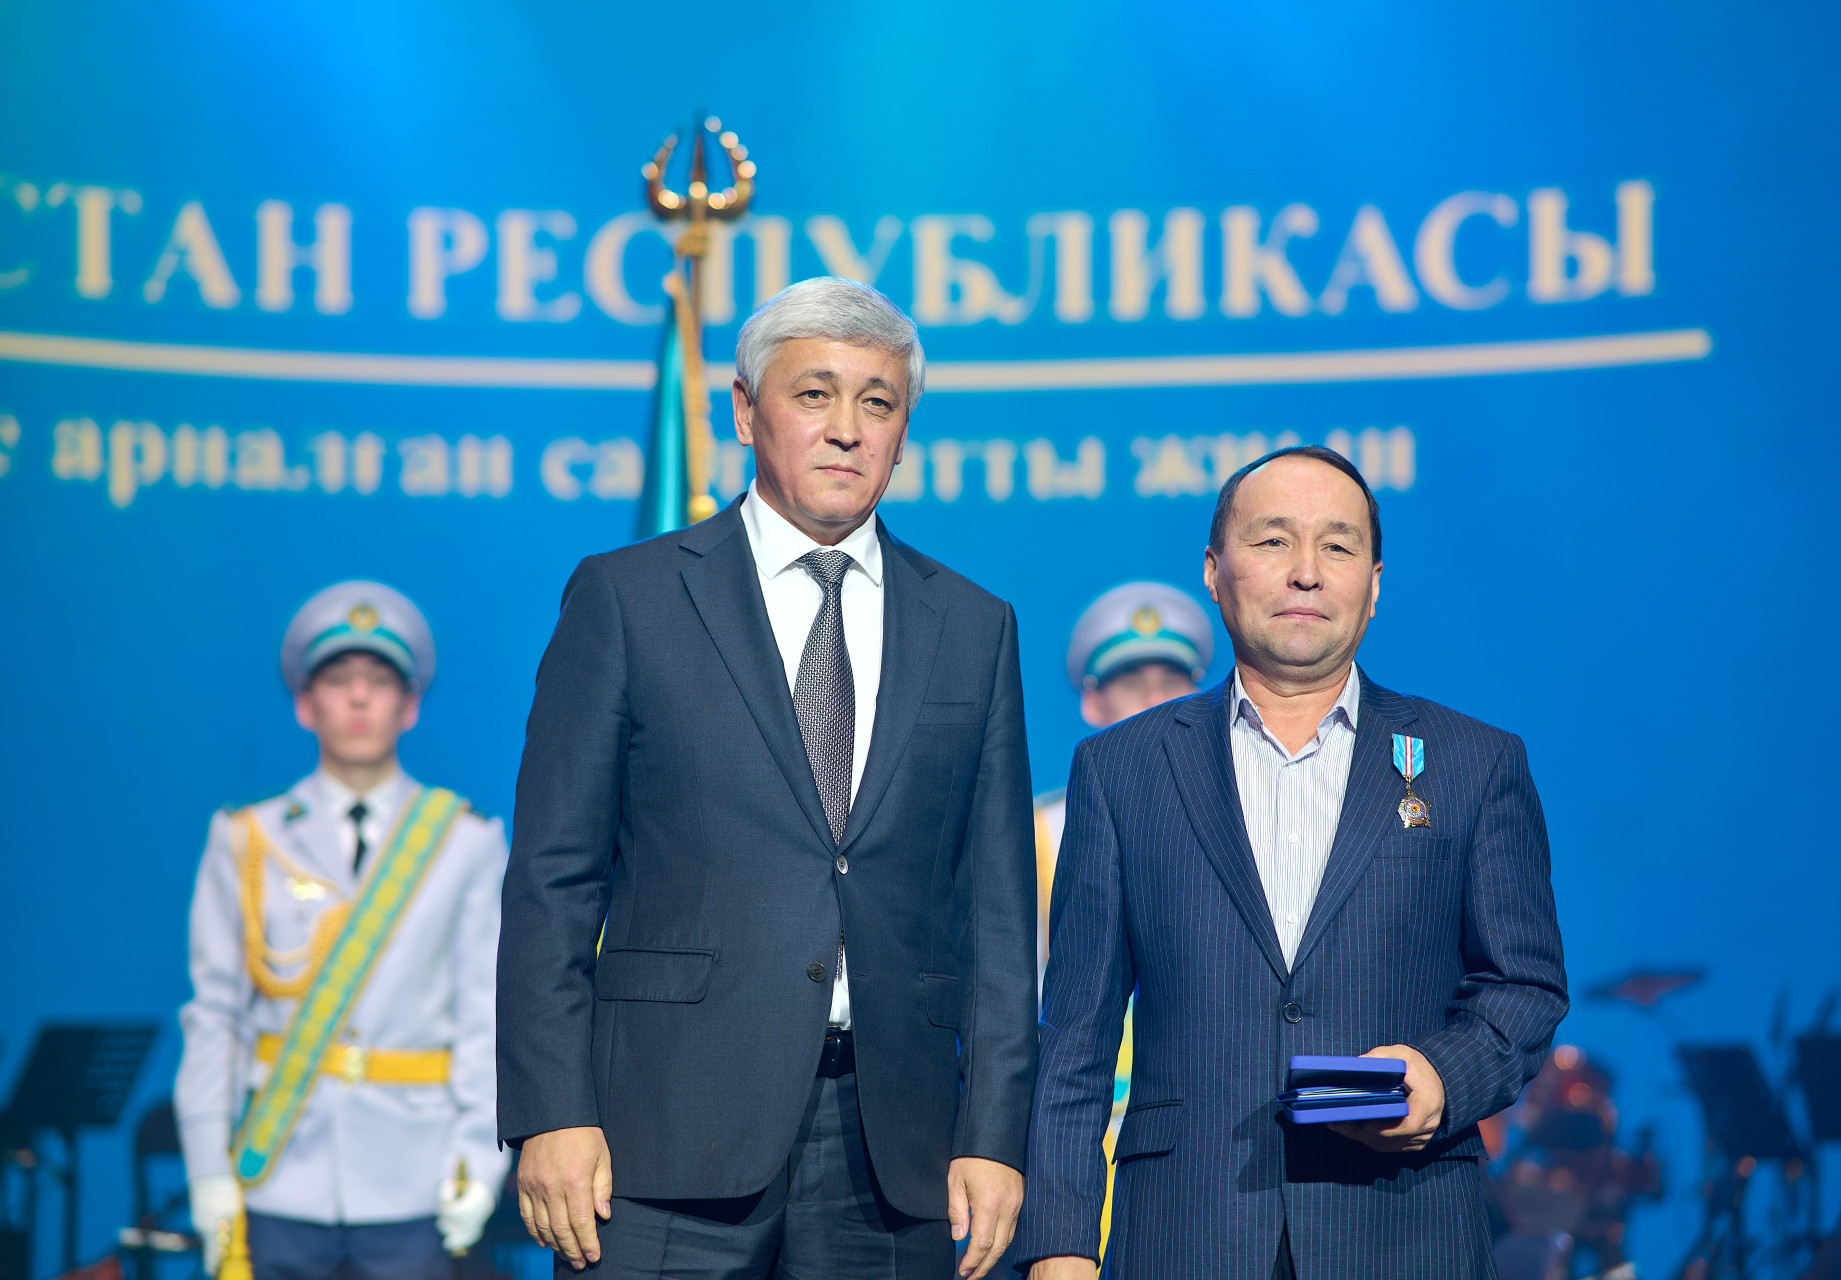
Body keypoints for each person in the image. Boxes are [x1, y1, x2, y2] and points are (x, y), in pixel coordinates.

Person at [498, 277, 1037, 1280]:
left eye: (878, 402)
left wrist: (998, 1132)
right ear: (746, 410)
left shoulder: (973, 626)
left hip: (894, 1149)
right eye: (814, 394)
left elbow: (999, 912)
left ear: (904, 433)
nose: (847, 429)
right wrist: (551, 1109)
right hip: (658, 1136)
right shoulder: (629, 597)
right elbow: (552, 880)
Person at [1018, 446, 1568, 1280]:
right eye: (1274, 541)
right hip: (1185, 1233)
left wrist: (1441, 1078)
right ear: (1214, 571)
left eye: (1337, 546)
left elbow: (1524, 986)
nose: (1306, 571)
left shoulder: (1472, 763)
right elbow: (1076, 1036)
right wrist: (1059, 1245)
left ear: (1373, 584)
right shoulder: (1123, 771)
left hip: (1403, 1227)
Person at [175, 581, 509, 1280]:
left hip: (414, 1180)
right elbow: (216, 1017)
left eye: (380, 681)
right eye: (338, 680)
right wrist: (207, 1169)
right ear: (306, 704)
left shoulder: (466, 842)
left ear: (409, 706)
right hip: (278, 1175)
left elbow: (486, 1017)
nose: (359, 698)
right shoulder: (247, 837)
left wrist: (481, 1159)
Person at [1017, 583, 1212, 1277]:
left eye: (1172, 681)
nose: (1155, 700)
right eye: (1133, 683)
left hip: (1216, 1155)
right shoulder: (1037, 836)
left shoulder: (1249, 827)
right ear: (1093, 702)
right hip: (1082, 1155)